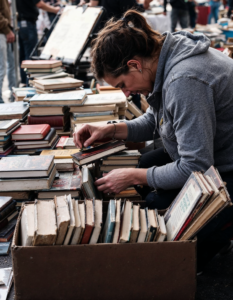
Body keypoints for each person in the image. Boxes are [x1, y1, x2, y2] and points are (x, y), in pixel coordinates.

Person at [73, 10, 233, 271]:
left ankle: (220, 231)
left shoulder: (184, 80)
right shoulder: (165, 56)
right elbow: (153, 122)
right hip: (215, 153)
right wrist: (109, 129)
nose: (126, 94)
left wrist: (133, 176)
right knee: (146, 162)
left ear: (134, 64)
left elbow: (196, 167)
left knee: (158, 209)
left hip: (224, 168)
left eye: (123, 84)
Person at [16, 0, 60, 84]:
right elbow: (40, 4)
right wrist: (55, 9)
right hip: (28, 24)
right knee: (30, 58)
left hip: (22, 24)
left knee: (24, 57)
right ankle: (29, 85)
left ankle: (25, 83)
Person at [0, 0, 16, 103]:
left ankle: (13, 94)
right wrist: (7, 30)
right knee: (2, 68)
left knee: (9, 66)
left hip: (4, 31)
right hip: (2, 31)